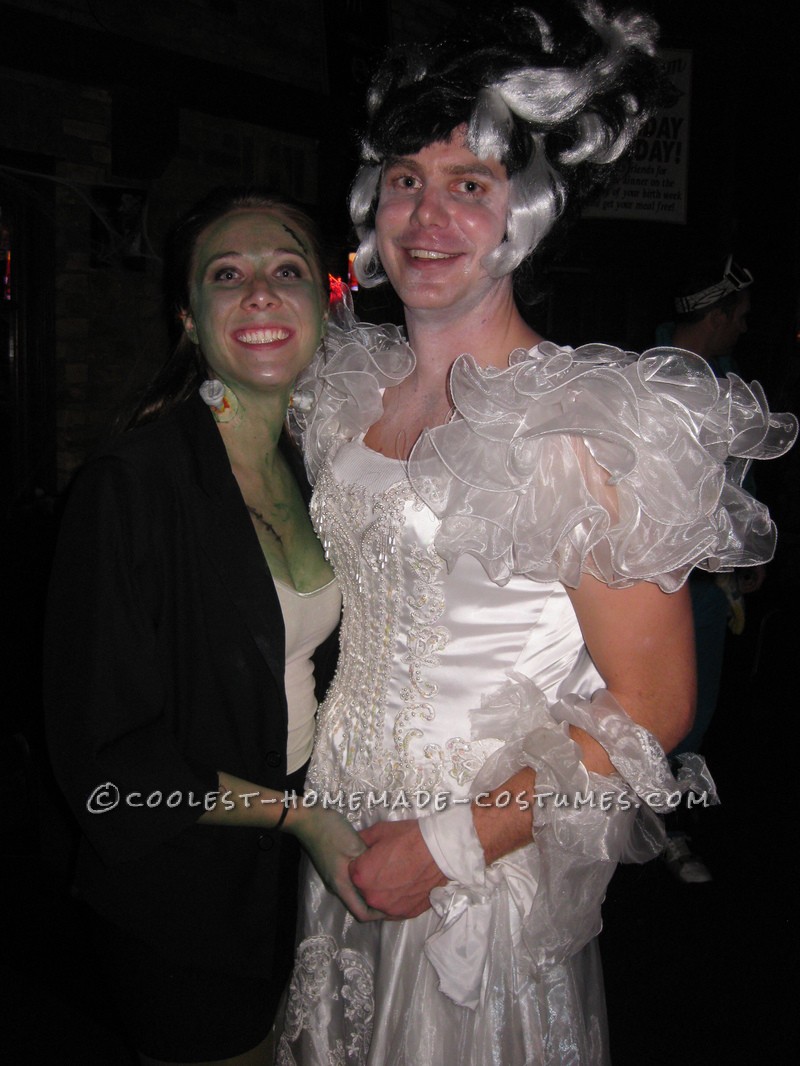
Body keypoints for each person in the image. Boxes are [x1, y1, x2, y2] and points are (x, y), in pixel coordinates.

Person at [279, 4, 796, 1065]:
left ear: (526, 210)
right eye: (405, 179)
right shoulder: (342, 386)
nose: (427, 214)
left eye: (469, 183)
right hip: (339, 826)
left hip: (476, 860)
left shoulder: (582, 424)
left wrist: (447, 843)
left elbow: (653, 707)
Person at [44, 188, 377, 1066]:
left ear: (325, 307)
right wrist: (296, 818)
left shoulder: (321, 475)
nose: (260, 293)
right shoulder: (131, 488)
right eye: (226, 276)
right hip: (184, 892)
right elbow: (106, 760)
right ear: (189, 320)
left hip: (297, 874)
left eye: (287, 272)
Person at [657, 254, 762, 881]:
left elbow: (736, 483)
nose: (746, 327)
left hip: (711, 581)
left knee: (697, 709)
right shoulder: (644, 376)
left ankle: (668, 817)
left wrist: (746, 552)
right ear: (715, 316)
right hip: (656, 579)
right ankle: (645, 826)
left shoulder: (729, 381)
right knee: (652, 706)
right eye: (740, 316)